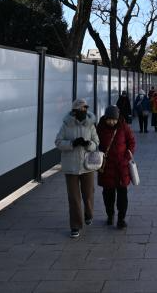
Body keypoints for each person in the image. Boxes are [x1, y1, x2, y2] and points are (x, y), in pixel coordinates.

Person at [54, 98, 100, 238]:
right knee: (74, 198)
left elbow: (96, 142)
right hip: (71, 167)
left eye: (85, 108)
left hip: (87, 165)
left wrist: (88, 144)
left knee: (88, 194)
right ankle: (75, 226)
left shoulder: (90, 125)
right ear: (74, 111)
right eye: (80, 109)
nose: (83, 110)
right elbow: (58, 142)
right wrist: (72, 144)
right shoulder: (66, 125)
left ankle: (89, 214)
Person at [96, 106, 136, 229]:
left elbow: (131, 142)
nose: (112, 122)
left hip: (121, 167)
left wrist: (127, 157)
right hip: (106, 167)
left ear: (118, 118)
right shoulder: (100, 128)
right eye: (109, 119)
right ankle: (110, 215)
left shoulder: (124, 127)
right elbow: (95, 143)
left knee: (122, 194)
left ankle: (121, 219)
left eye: (114, 119)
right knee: (108, 194)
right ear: (105, 118)